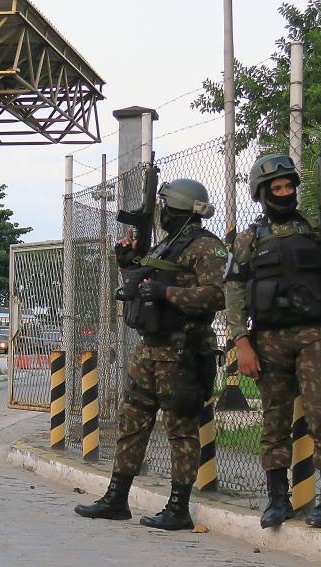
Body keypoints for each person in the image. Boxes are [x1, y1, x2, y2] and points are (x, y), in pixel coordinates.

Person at [74, 179, 227, 530]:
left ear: (178, 208)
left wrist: (167, 291)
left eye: (165, 206)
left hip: (183, 350)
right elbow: (141, 287)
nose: (161, 213)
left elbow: (217, 295)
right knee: (132, 422)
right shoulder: (165, 247)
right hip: (150, 348)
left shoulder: (205, 247)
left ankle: (178, 508)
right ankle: (116, 498)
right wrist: (127, 264)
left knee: (180, 428)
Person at [224, 153, 321, 529]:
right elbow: (232, 291)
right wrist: (241, 342)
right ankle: (277, 499)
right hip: (268, 337)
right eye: (276, 188)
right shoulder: (249, 239)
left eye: (288, 186)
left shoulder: (316, 229)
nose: (284, 192)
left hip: (315, 332)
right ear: (262, 193)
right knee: (274, 419)